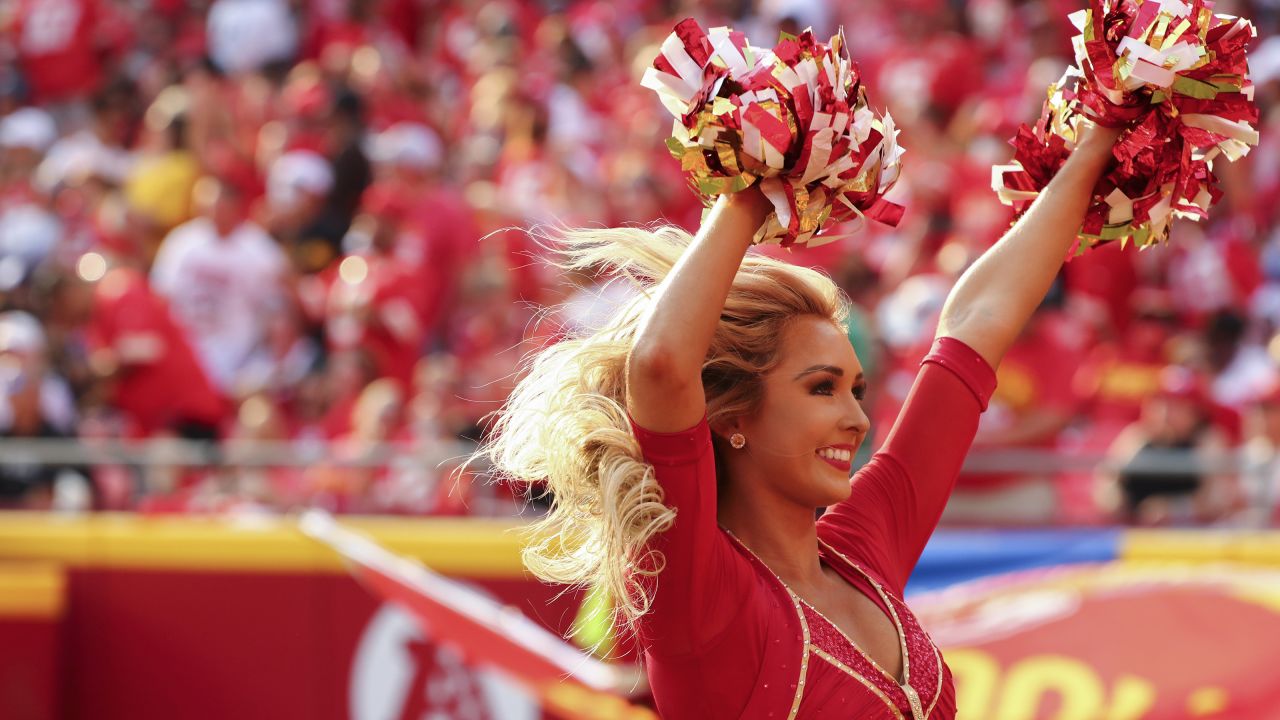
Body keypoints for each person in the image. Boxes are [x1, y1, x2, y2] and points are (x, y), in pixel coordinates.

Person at [482, 115, 1121, 718]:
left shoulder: (863, 549)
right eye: (822, 389)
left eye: (857, 389)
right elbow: (661, 366)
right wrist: (755, 185)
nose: (858, 420)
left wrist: (1103, 137)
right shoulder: (696, 590)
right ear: (733, 416)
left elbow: (977, 324)